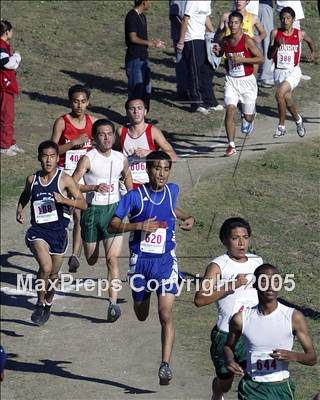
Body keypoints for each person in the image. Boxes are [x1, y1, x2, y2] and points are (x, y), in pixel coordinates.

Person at [108, 150, 194, 385]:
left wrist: (188, 218)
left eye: (166, 169)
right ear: (147, 170)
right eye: (157, 168)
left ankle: (165, 365)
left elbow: (172, 208)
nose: (162, 174)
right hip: (140, 263)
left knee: (165, 313)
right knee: (142, 314)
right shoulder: (135, 196)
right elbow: (113, 224)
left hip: (166, 261)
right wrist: (137, 226)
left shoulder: (172, 190)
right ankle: (140, 301)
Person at [16, 140, 87, 326]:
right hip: (38, 232)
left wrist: (65, 200)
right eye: (45, 156)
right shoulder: (32, 180)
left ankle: (48, 302)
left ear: (57, 158)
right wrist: (19, 208)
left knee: (53, 275)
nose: (48, 160)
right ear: (39, 158)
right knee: (45, 267)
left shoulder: (64, 179)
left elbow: (82, 203)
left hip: (59, 234)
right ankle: (39, 303)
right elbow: (25, 194)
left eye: (52, 156)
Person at [224, 263, 317, 399]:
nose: (270, 285)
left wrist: (292, 356)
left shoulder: (293, 317)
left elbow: (312, 358)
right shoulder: (241, 319)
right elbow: (228, 346)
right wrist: (229, 360)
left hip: (281, 389)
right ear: (254, 284)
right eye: (263, 280)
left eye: (275, 280)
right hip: (252, 387)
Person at [194, 217, 263, 400]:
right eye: (235, 238)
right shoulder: (218, 265)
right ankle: (217, 392)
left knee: (255, 379)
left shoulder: (257, 262)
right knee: (225, 381)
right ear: (225, 240)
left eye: (245, 237)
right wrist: (231, 285)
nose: (241, 243)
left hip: (253, 332)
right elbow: (200, 299)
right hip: (226, 335)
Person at [72, 119, 133, 322]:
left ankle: (113, 304)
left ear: (114, 137)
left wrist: (132, 200)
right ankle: (88, 247)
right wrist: (92, 188)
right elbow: (71, 184)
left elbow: (127, 177)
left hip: (114, 212)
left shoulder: (120, 158)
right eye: (101, 134)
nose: (106, 138)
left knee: (112, 259)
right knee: (91, 259)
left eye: (109, 134)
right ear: (94, 137)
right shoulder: (88, 159)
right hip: (92, 212)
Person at [51, 84, 97, 273]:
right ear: (71, 102)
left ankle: (75, 256)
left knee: (79, 213)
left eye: (83, 101)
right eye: (76, 101)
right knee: (63, 214)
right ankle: (56, 249)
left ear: (88, 102)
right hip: (64, 173)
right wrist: (72, 144)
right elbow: (51, 151)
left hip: (83, 175)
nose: (79, 105)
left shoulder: (93, 122)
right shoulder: (62, 122)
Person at [213, 12, 264, 157]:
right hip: (231, 81)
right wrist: (218, 52)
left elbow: (260, 59)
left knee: (248, 117)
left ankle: (248, 116)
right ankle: (231, 145)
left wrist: (243, 60)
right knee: (229, 109)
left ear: (241, 24)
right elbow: (222, 52)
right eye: (231, 22)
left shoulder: (247, 40)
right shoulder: (225, 40)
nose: (233, 25)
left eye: (236, 22)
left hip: (247, 81)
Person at [267, 6, 315, 138]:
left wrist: (312, 52)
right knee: (287, 101)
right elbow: (269, 56)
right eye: (282, 18)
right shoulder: (275, 33)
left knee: (279, 94)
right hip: (279, 72)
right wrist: (276, 45)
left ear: (293, 19)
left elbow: (311, 41)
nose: (285, 21)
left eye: (288, 18)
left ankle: (281, 127)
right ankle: (298, 120)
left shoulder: (299, 33)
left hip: (293, 71)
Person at [116, 98, 177, 188]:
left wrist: (150, 153)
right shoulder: (121, 131)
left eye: (139, 108)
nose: (136, 111)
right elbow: (112, 152)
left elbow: (173, 157)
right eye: (132, 108)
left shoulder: (153, 131)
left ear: (145, 112)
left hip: (148, 184)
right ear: (127, 112)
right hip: (126, 184)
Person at [125, 0, 165, 112]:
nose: (151, 3)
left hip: (143, 58)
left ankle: (143, 118)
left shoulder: (142, 16)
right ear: (144, 1)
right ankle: (131, 119)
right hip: (134, 58)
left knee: (146, 89)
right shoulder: (132, 16)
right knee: (136, 90)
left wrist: (153, 42)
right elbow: (133, 38)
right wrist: (150, 43)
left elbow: (140, 38)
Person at [177, 1, 215, 113]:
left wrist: (213, 32)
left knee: (203, 70)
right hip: (191, 39)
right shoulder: (192, 1)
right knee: (195, 71)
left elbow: (206, 17)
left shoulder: (207, 1)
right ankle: (196, 103)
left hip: (201, 38)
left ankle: (205, 100)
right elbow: (185, 20)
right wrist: (181, 41)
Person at [0, 20, 24, 157]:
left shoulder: (4, 45)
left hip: (6, 86)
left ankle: (9, 141)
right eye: (11, 30)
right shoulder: (1, 46)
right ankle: (4, 145)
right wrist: (16, 57)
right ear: (7, 32)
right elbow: (7, 64)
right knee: (6, 116)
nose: (12, 33)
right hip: (4, 87)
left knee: (8, 116)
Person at [169, 0, 189, 100]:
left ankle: (190, 89)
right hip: (179, 35)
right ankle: (182, 91)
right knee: (181, 64)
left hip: (192, 36)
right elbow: (173, 16)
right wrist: (185, 29)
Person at [257, 0, 275, 88]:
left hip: (253, 6)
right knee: (266, 39)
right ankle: (265, 76)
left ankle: (261, 72)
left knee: (257, 39)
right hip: (263, 5)